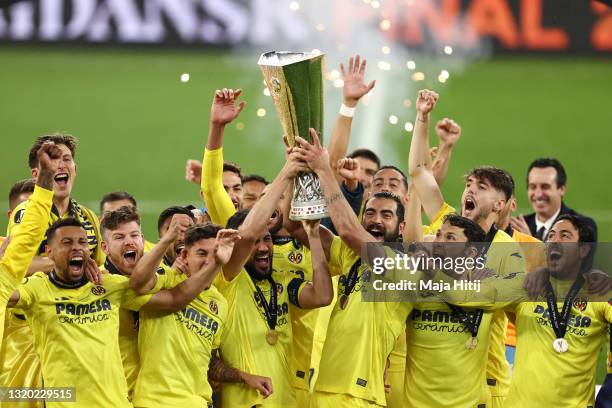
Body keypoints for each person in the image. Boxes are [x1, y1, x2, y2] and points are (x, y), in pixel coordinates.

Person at [408, 89, 526, 408]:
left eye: (481, 187)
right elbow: (419, 173)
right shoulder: (447, 223)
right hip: (424, 383)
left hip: (485, 383)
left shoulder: (507, 250)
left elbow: (487, 297)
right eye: (468, 185)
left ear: (500, 204)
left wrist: (432, 269)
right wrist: (422, 118)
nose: (469, 190)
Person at [291, 131, 417, 408]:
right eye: (370, 213)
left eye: (387, 215)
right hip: (322, 390)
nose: (376, 220)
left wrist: (324, 169)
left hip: (360, 397)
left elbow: (348, 230)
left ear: (402, 227)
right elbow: (294, 227)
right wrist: (297, 169)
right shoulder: (350, 256)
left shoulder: (403, 266)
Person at [445, 214, 609, 408]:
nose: (554, 241)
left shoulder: (599, 293)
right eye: (551, 235)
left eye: (565, 236)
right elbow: (463, 295)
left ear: (583, 249)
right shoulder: (526, 287)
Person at [215, 152, 333, 407]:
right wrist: (287, 172)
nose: (262, 247)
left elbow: (322, 296)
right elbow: (247, 236)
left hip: (285, 399)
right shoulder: (227, 280)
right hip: (246, 402)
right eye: (256, 242)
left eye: (266, 239)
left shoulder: (279, 285)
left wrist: (313, 235)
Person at [9, 134, 104, 270]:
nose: (60, 165)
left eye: (66, 159)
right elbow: (16, 263)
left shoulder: (88, 217)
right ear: (36, 175)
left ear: (75, 169)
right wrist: (71, 262)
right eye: (52, 161)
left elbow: (100, 268)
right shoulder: (26, 212)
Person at [511, 157, 598, 241]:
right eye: (533, 187)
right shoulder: (519, 226)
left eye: (545, 187)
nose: (538, 194)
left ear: (562, 189)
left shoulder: (583, 226)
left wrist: (531, 244)